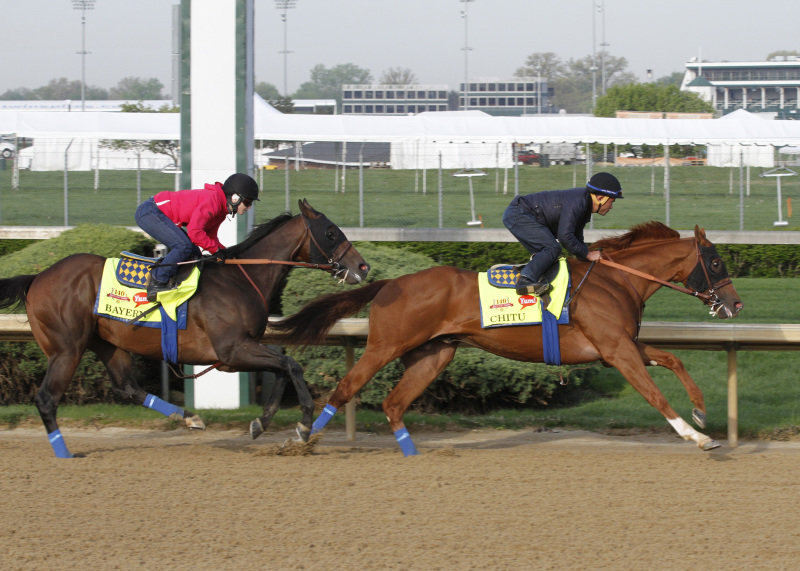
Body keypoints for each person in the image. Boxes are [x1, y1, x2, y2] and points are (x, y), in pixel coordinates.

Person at [135, 172, 260, 301]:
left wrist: (225, 252)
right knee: (183, 246)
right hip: (150, 212)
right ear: (235, 198)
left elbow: (210, 237)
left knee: (194, 252)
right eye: (247, 202)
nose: (249, 207)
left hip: (157, 214)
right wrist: (216, 251)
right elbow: (194, 232)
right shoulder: (214, 201)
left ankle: (175, 281)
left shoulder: (221, 209)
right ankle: (157, 282)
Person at [502, 171, 623, 296]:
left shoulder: (584, 206)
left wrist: (586, 258)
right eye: (612, 201)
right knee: (551, 249)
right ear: (600, 198)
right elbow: (565, 236)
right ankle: (524, 281)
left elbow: (576, 239)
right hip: (519, 214)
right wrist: (588, 253)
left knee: (551, 255)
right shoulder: (578, 202)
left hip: (520, 214)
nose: (611, 207)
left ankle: (535, 281)